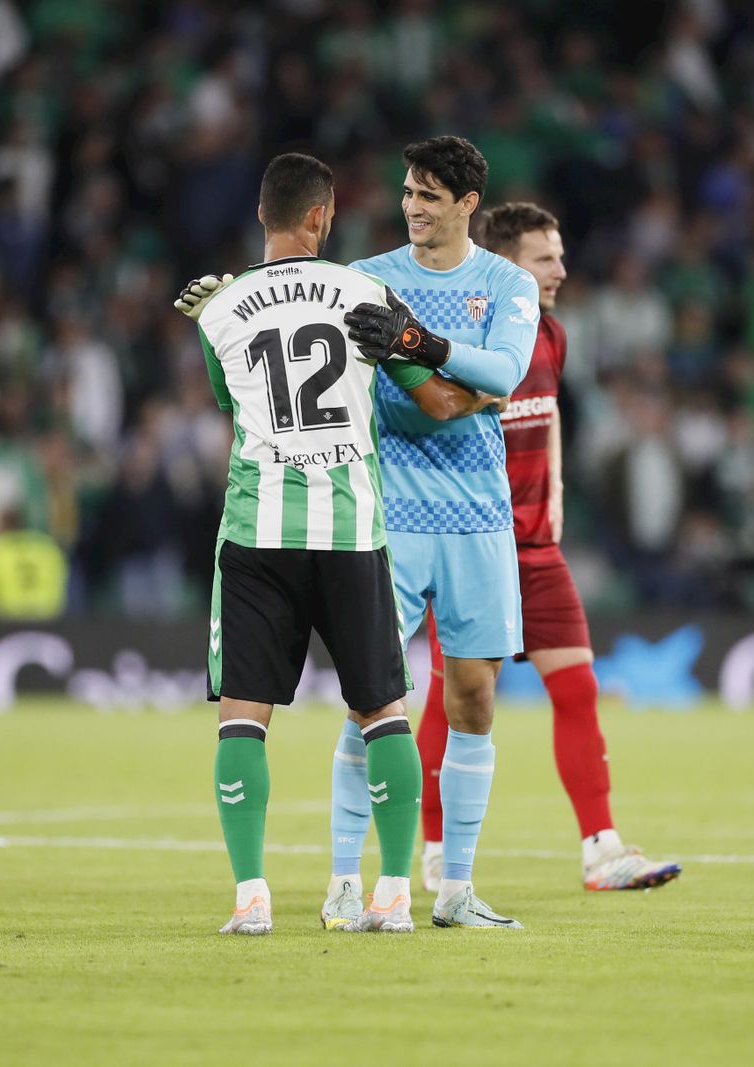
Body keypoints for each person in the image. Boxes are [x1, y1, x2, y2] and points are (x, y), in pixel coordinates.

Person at [179, 152, 496, 936]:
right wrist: (454, 375)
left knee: (242, 718)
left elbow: (229, 399)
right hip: (352, 531)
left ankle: (251, 898)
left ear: (263, 215)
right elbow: (435, 401)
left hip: (258, 534)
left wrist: (210, 325)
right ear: (322, 218)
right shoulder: (366, 295)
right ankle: (392, 894)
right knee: (383, 710)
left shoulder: (222, 306)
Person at [411, 202, 682, 893]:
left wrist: (554, 486)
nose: (562, 270)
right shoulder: (464, 340)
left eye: (560, 256)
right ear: (504, 266)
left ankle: (602, 848)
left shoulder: (552, 337)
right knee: (456, 699)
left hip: (537, 550)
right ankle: (436, 849)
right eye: (544, 258)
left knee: (580, 687)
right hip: (472, 548)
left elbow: (548, 411)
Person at [327, 136, 538, 929]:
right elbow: (461, 388)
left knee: (475, 696)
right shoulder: (369, 280)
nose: (413, 207)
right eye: (408, 192)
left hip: (479, 515)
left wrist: (420, 346)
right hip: (390, 516)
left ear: (467, 206)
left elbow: (507, 373)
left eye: (428, 196)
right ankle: (345, 880)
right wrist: (464, 375)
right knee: (370, 699)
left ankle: (455, 886)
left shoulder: (506, 282)